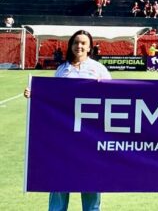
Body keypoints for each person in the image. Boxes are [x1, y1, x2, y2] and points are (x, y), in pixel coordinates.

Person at [24, 30, 110, 211]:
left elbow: (111, 98)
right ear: (70, 45)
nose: (79, 46)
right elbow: (53, 98)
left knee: (90, 183)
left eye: (83, 43)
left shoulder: (98, 69)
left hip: (90, 137)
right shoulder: (62, 69)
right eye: (76, 42)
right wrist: (36, 95)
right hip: (63, 137)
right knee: (59, 181)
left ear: (89, 47)